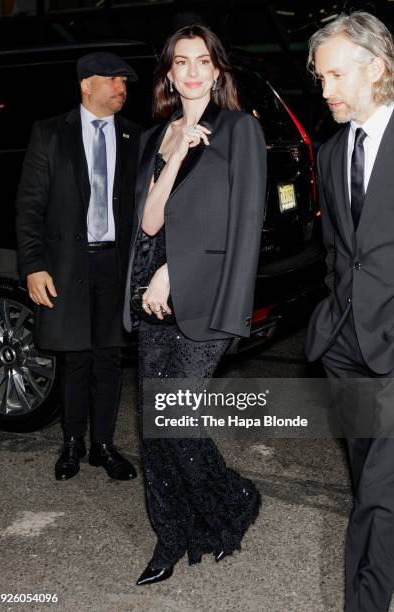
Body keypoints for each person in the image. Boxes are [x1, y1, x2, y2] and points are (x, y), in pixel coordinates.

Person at [123, 24, 267, 585]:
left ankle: (233, 499)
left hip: (202, 295)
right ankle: (171, 534)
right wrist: (179, 153)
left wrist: (174, 273)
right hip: (149, 296)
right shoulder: (154, 138)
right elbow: (151, 220)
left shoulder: (238, 131)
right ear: (168, 73)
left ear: (217, 70)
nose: (190, 71)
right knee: (154, 426)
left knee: (176, 421)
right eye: (179, 62)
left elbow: (244, 225)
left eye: (201, 61)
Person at [16, 52, 142, 482]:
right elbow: (30, 206)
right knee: (74, 358)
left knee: (108, 358)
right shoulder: (50, 133)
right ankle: (72, 442)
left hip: (114, 262)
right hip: (68, 262)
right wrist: (33, 265)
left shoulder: (134, 137)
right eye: (113, 79)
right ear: (86, 84)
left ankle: (103, 446)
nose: (122, 87)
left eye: (125, 81)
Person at [306, 12, 394, 612]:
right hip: (346, 350)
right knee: (368, 480)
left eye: (335, 75)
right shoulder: (331, 152)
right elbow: (340, 254)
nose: (325, 90)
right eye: (319, 78)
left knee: (378, 499)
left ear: (378, 69)